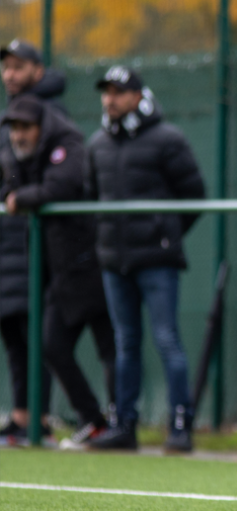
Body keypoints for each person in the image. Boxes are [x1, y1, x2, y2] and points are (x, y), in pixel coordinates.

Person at [85, 66, 206, 453]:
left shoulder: (168, 139)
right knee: (126, 343)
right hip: (114, 261)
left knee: (167, 339)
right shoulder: (97, 143)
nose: (110, 99)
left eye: (119, 91)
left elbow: (194, 195)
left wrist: (164, 235)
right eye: (106, 92)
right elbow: (91, 196)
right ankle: (125, 426)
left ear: (138, 95)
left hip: (156, 259)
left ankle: (180, 426)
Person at [0, 95, 117, 450]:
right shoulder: (20, 154)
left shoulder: (66, 144)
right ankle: (95, 420)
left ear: (41, 127)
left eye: (25, 127)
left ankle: (119, 422)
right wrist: (15, 193)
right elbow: (9, 186)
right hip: (61, 268)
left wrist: (22, 198)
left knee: (112, 347)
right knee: (50, 343)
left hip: (92, 260)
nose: (18, 135)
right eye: (14, 128)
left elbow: (59, 187)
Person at [0, 38, 67, 445]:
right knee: (12, 332)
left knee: (36, 332)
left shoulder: (52, 115)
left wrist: (20, 197)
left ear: (37, 71)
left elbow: (48, 179)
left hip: (37, 240)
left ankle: (37, 417)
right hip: (8, 240)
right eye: (6, 68)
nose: (10, 75)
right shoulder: (8, 115)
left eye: (18, 67)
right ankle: (21, 414)